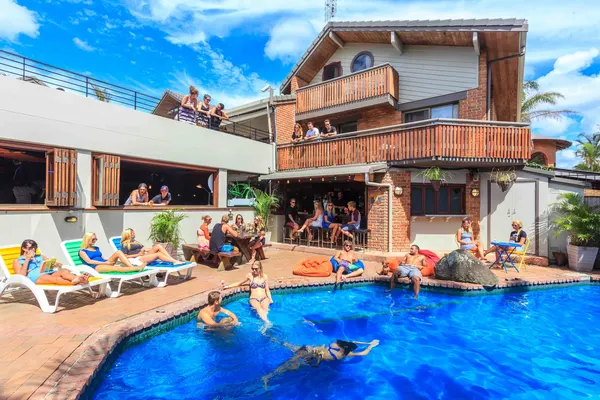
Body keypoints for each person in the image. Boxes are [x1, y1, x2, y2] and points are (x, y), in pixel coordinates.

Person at [262, 339, 379, 388]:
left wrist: (368, 342)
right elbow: (363, 353)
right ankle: (267, 377)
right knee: (289, 366)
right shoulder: (343, 355)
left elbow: (353, 342)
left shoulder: (336, 344)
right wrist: (371, 346)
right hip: (308, 356)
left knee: (290, 346)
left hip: (308, 349)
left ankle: (272, 338)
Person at [13, 239, 89, 285]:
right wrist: (27, 259)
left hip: (47, 272)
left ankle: (77, 279)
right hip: (35, 276)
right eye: (30, 248)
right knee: (56, 279)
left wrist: (56, 264)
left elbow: (56, 264)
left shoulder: (40, 256)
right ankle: (79, 281)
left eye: (35, 248)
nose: (33, 250)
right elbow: (21, 276)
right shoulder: (18, 261)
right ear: (24, 249)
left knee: (64, 272)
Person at [79, 232, 146, 273]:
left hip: (106, 262)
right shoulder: (82, 251)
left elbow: (103, 258)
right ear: (87, 239)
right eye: (93, 239)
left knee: (118, 252)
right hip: (96, 267)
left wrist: (114, 259)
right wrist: (105, 263)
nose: (95, 240)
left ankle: (131, 267)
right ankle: (135, 269)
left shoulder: (96, 248)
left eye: (96, 239)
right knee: (116, 268)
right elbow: (89, 261)